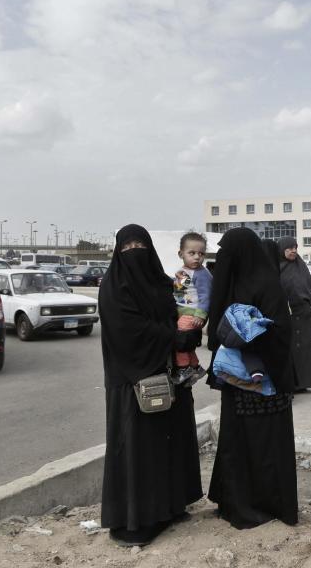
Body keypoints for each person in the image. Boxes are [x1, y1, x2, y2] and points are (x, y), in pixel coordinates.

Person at [98, 224, 202, 547]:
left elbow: (180, 312)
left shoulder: (163, 283)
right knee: (139, 451)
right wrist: (173, 336)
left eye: (139, 246)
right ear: (118, 252)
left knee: (169, 446)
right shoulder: (113, 289)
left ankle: (170, 507)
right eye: (127, 248)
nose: (134, 254)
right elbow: (128, 331)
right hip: (133, 383)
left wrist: (190, 329)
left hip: (168, 377)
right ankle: (136, 522)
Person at [206, 227, 298, 529]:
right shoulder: (234, 283)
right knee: (237, 444)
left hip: (264, 386)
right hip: (237, 382)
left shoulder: (267, 285)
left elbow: (280, 332)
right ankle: (234, 501)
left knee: (260, 448)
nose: (223, 260)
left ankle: (259, 505)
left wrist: (248, 338)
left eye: (228, 254)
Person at [277, 237, 311, 391]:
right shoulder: (276, 267)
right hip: (286, 314)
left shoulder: (300, 265)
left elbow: (309, 286)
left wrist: (309, 304)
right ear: (282, 249)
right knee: (289, 350)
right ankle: (292, 383)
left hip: (302, 314)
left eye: (295, 247)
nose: (294, 250)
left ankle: (304, 382)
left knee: (304, 349)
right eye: (290, 248)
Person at [172, 231, 212, 386]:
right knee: (187, 343)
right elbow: (179, 293)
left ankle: (184, 369)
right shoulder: (183, 271)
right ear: (181, 254)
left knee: (180, 341)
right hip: (183, 313)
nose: (197, 257)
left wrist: (201, 315)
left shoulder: (202, 274)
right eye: (192, 253)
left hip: (193, 314)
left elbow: (206, 296)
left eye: (201, 254)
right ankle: (196, 367)